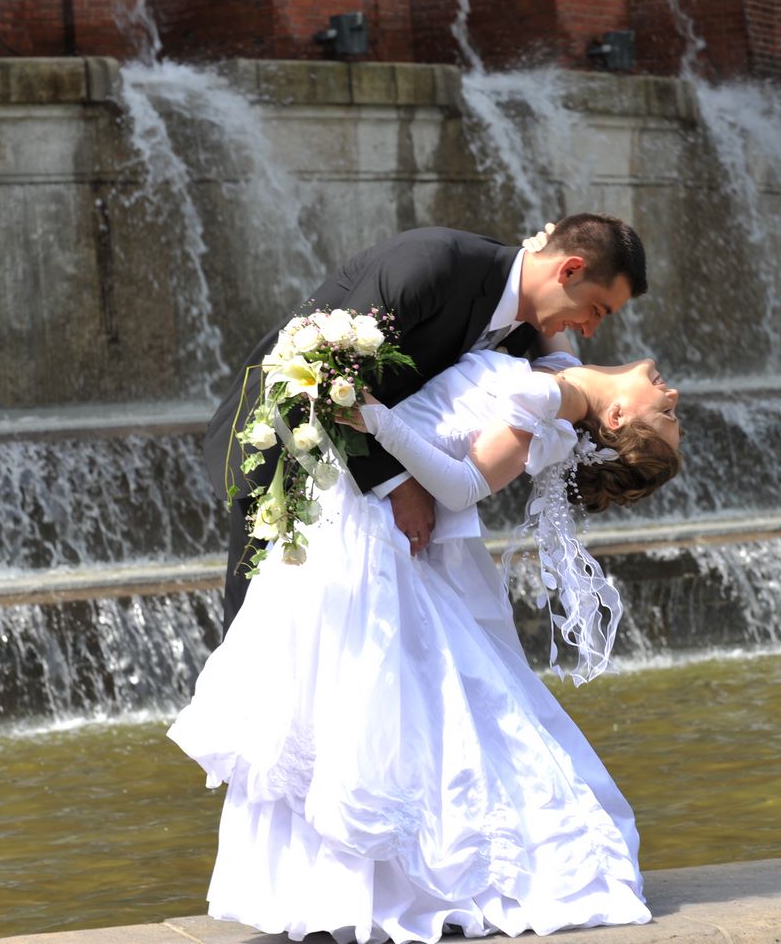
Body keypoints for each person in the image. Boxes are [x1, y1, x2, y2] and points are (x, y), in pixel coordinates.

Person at [168, 342, 681, 942]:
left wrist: (377, 419)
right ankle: (342, 890)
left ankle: (373, 889)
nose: (674, 396)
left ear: (616, 420)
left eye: (667, 416)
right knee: (347, 700)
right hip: (357, 502)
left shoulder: (546, 399)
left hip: (374, 522)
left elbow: (463, 488)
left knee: (369, 701)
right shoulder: (565, 373)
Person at [205, 215, 648, 632]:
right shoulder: (434, 263)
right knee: (258, 641)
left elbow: (566, 371)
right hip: (285, 453)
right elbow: (327, 375)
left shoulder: (526, 321)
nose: (590, 329)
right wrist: (398, 483)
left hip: (364, 510)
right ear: (569, 271)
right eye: (597, 309)